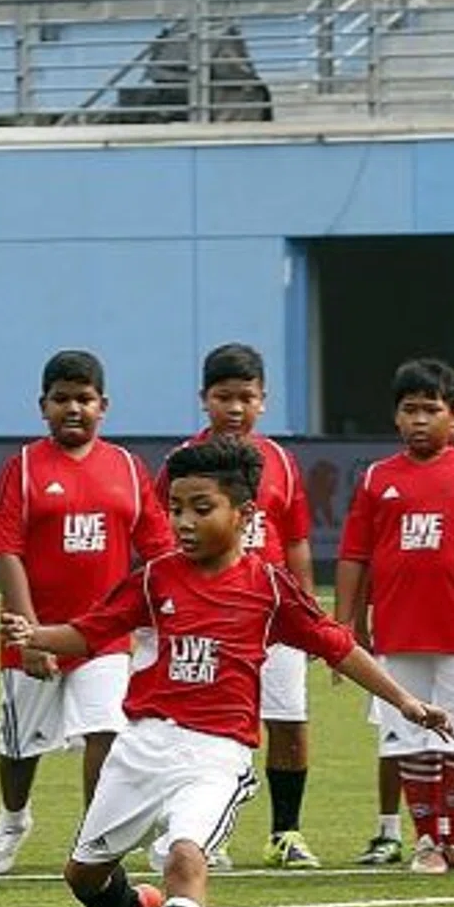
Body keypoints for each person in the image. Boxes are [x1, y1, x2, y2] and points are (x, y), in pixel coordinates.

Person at [5, 438, 454, 907]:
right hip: (141, 746)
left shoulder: (269, 588)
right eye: (176, 509)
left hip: (217, 753)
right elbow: (90, 632)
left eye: (201, 508)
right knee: (83, 874)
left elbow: (335, 643)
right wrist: (38, 634)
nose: (184, 522)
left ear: (245, 516)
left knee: (186, 857)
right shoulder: (155, 577)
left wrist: (406, 701)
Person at [0, 350, 174, 875]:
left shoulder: (129, 470)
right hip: (34, 629)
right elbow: (4, 551)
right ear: (43, 406)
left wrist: (172, 610)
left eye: (84, 399)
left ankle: (95, 839)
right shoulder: (19, 470)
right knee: (19, 746)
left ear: (103, 405)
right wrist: (30, 634)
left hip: (102, 635)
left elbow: (158, 549)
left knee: (107, 729)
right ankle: (14, 818)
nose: (73, 408)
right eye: (61, 399)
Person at [335, 358, 454, 874]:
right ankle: (427, 842)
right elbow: (355, 555)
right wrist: (346, 625)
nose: (418, 420)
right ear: (395, 417)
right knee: (409, 738)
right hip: (397, 629)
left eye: (430, 410)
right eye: (409, 410)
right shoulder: (376, 478)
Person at [156, 343, 319, 871]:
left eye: (245, 397)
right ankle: (205, 835)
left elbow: (294, 540)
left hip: (271, 611)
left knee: (289, 719)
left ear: (263, 401)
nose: (234, 408)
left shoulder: (281, 463)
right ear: (203, 399)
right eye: (223, 397)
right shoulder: (184, 462)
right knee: (207, 726)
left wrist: (307, 602)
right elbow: (163, 533)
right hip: (209, 613)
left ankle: (286, 833)